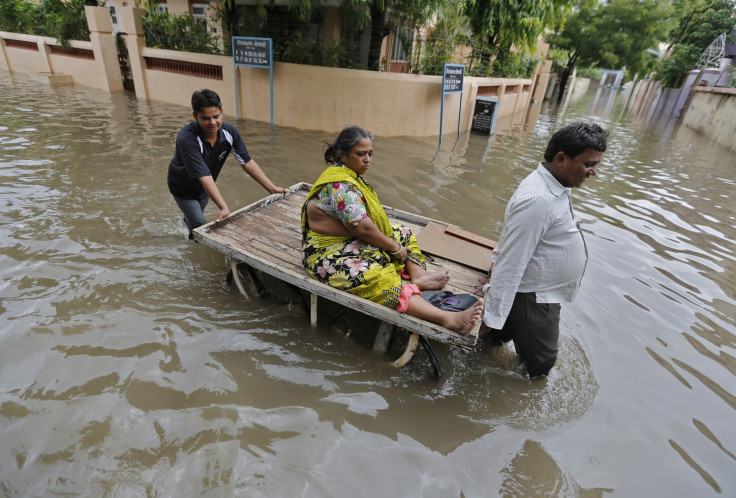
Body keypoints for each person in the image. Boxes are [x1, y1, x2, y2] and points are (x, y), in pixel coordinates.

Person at [301, 126, 483, 334]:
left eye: (370, 154)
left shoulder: (351, 177)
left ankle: (419, 275)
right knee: (374, 276)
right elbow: (363, 228)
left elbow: (366, 227)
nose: (367, 159)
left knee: (403, 232)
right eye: (361, 154)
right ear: (342, 155)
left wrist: (394, 242)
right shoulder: (340, 186)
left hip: (348, 239)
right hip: (323, 252)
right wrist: (395, 248)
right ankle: (447, 318)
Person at [479, 122, 608, 378]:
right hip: (533, 297)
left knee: (496, 338)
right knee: (540, 366)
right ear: (561, 158)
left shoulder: (555, 185)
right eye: (588, 164)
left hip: (537, 292)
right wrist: (491, 316)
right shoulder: (539, 200)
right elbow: (512, 261)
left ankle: (490, 343)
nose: (593, 172)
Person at [167, 89, 285, 239]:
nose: (212, 123)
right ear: (195, 116)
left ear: (222, 112)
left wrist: (272, 188)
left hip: (204, 187)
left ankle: (187, 223)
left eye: (216, 117)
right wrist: (223, 207)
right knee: (199, 223)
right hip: (182, 187)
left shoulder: (230, 133)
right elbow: (204, 176)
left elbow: (247, 162)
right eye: (205, 118)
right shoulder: (187, 138)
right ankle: (192, 244)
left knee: (194, 217)